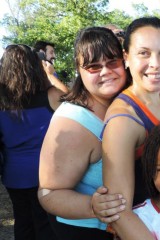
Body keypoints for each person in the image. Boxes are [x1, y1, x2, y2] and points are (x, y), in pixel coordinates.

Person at [92, 17, 160, 239]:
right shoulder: (123, 121)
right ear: (126, 58)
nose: (155, 63)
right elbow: (119, 212)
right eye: (144, 53)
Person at [38, 27, 130, 240]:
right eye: (93, 66)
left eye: (113, 62)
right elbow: (48, 194)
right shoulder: (72, 122)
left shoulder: (125, 103)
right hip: (87, 231)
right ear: (79, 70)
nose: (106, 71)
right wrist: (92, 206)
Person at [0, 44, 64, 239]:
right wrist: (52, 75)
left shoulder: (1, 100)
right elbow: (76, 101)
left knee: (23, 221)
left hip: (13, 173)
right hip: (45, 174)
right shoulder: (51, 96)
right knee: (45, 225)